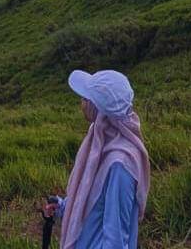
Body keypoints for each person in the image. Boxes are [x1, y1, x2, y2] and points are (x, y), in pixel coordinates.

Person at [42, 69, 150, 249]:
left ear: (98, 110)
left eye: (85, 99)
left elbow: (116, 238)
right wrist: (63, 207)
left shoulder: (119, 165)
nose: (81, 104)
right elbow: (93, 200)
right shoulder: (99, 145)